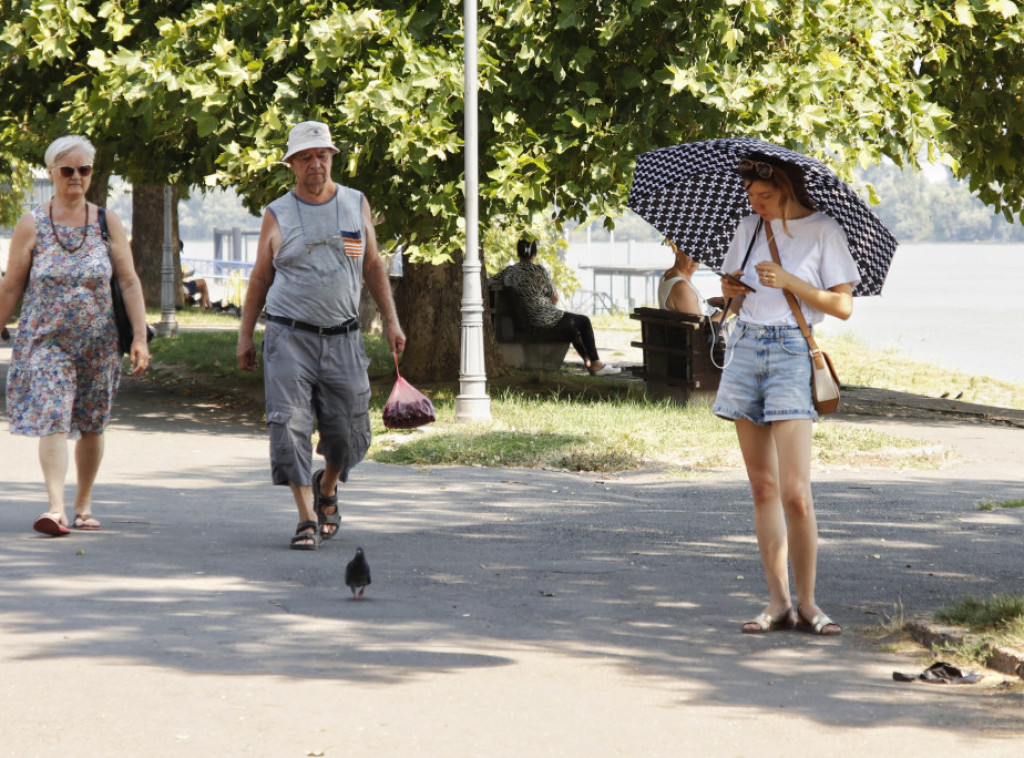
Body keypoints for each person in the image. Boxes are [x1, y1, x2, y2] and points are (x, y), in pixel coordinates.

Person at [236, 120, 405, 550]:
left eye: (322, 155)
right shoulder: (277, 212)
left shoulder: (356, 204)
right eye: (306, 157)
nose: (316, 164)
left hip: (344, 336)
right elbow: (260, 278)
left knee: (348, 430)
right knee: (289, 425)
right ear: (292, 164)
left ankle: (327, 484)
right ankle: (306, 517)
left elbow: (372, 266)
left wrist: (391, 320)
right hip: (289, 337)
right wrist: (245, 335)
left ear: (332, 158)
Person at [712, 157, 860, 636]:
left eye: (765, 197)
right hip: (745, 347)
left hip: (792, 353)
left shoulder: (822, 231)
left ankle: (810, 603)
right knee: (763, 489)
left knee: (796, 493)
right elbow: (737, 296)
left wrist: (790, 280)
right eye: (751, 197)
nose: (756, 205)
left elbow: (842, 306)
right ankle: (778, 603)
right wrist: (729, 290)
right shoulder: (748, 226)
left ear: (787, 189)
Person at [0, 135, 149, 536]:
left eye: (84, 170)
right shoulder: (32, 223)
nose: (77, 177)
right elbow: (12, 285)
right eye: (68, 170)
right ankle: (55, 507)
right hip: (46, 341)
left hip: (100, 344)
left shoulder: (106, 222)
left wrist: (139, 336)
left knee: (92, 423)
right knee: (53, 414)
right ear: (52, 173)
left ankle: (83, 503)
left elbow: (129, 282)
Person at [490, 238, 620, 376]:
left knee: (572, 329)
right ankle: (596, 364)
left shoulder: (509, 272)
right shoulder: (539, 270)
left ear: (518, 253)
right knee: (584, 321)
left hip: (525, 318)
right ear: (534, 254)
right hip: (543, 318)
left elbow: (489, 281)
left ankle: (590, 364)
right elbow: (554, 297)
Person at [659, 241, 720, 319]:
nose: (695, 258)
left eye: (699, 252)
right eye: (690, 252)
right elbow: (701, 327)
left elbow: (687, 305)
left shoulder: (670, 275)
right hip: (716, 329)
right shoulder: (680, 286)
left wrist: (711, 302)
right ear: (677, 252)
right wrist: (731, 310)